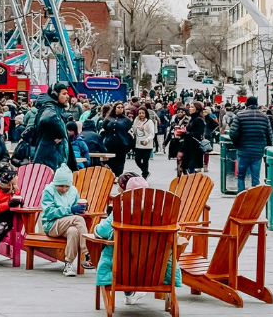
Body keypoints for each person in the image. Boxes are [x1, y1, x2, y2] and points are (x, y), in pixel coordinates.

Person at [94, 175, 181, 305]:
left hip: (123, 267)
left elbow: (102, 231)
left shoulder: (121, 209)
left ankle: (122, 295)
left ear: (128, 193)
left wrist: (96, 228)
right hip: (155, 269)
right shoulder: (162, 213)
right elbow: (175, 236)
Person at [41, 164, 94, 276]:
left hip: (68, 224)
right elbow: (49, 213)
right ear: (55, 183)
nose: (64, 189)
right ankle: (89, 253)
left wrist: (79, 210)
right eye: (60, 186)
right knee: (79, 220)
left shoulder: (73, 191)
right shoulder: (48, 191)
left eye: (67, 186)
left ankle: (68, 265)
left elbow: (73, 210)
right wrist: (70, 209)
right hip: (51, 224)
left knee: (73, 231)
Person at [229, 97, 272, 193]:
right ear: (257, 104)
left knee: (241, 176)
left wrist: (237, 143)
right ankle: (254, 196)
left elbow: (233, 132)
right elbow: (269, 134)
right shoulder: (264, 117)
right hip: (258, 151)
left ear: (246, 104)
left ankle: (241, 194)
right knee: (255, 177)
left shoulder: (240, 116)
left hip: (243, 150)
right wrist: (268, 147)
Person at [31, 82, 75, 170]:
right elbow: (47, 118)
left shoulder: (53, 107)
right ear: (55, 95)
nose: (67, 97)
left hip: (52, 160)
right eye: (64, 94)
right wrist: (60, 134)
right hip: (51, 161)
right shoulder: (50, 107)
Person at [101, 101, 133, 176]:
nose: (120, 109)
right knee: (110, 161)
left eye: (122, 108)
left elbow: (130, 134)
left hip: (121, 144)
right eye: (118, 107)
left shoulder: (126, 120)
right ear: (114, 108)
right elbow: (103, 131)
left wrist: (130, 145)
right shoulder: (108, 119)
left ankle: (118, 175)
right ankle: (112, 175)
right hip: (110, 143)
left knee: (120, 161)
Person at [181, 102, 207, 175]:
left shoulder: (198, 119)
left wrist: (187, 133)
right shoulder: (193, 118)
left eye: (192, 107)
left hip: (194, 146)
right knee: (187, 167)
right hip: (189, 145)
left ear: (197, 109)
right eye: (190, 107)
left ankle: (198, 180)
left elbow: (199, 133)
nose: (190, 108)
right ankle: (194, 181)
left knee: (190, 167)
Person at [131, 107, 155, 179]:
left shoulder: (149, 122)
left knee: (145, 160)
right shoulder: (137, 121)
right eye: (139, 113)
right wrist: (136, 120)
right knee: (137, 160)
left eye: (142, 113)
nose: (141, 115)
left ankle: (144, 174)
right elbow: (134, 130)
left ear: (146, 113)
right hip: (138, 144)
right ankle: (145, 171)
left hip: (147, 144)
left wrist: (147, 140)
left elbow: (152, 133)